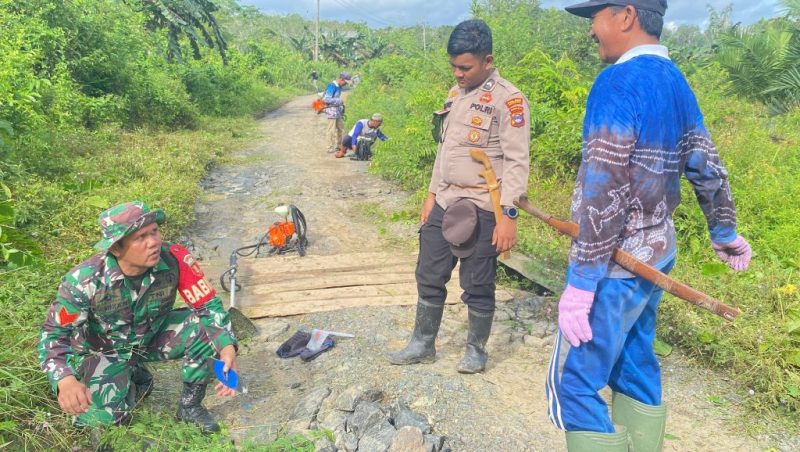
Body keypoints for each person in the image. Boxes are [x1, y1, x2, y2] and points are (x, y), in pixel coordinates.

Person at [547, 2, 752, 450]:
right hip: (656, 255)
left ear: (625, 15)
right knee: (634, 363)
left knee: (577, 386)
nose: (591, 32)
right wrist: (725, 233)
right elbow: (706, 165)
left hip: (615, 266)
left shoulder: (617, 82)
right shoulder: (677, 82)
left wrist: (582, 282)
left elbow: (603, 189)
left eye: (595, 18)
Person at [385, 20, 530, 374]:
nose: (458, 73)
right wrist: (431, 194)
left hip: (483, 207)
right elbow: (444, 150)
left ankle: (476, 349)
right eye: (454, 66)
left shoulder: (508, 100)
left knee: (478, 281)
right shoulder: (455, 94)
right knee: (429, 273)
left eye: (465, 67)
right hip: (446, 200)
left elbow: (516, 161)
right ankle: (422, 344)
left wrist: (508, 216)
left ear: (488, 60)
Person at [37, 201, 239, 433]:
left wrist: (227, 348)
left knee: (207, 329)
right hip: (104, 352)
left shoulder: (174, 258)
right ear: (116, 248)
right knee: (103, 422)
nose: (153, 242)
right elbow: (53, 336)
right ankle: (133, 377)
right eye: (140, 237)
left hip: (149, 340)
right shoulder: (84, 281)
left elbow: (207, 306)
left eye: (154, 231)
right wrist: (65, 380)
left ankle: (189, 407)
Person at [323, 72, 351, 153]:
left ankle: (339, 146)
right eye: (345, 82)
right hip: (331, 111)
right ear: (341, 79)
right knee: (331, 130)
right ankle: (329, 147)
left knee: (341, 128)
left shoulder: (339, 86)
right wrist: (339, 101)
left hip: (337, 110)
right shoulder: (332, 86)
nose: (346, 84)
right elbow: (326, 99)